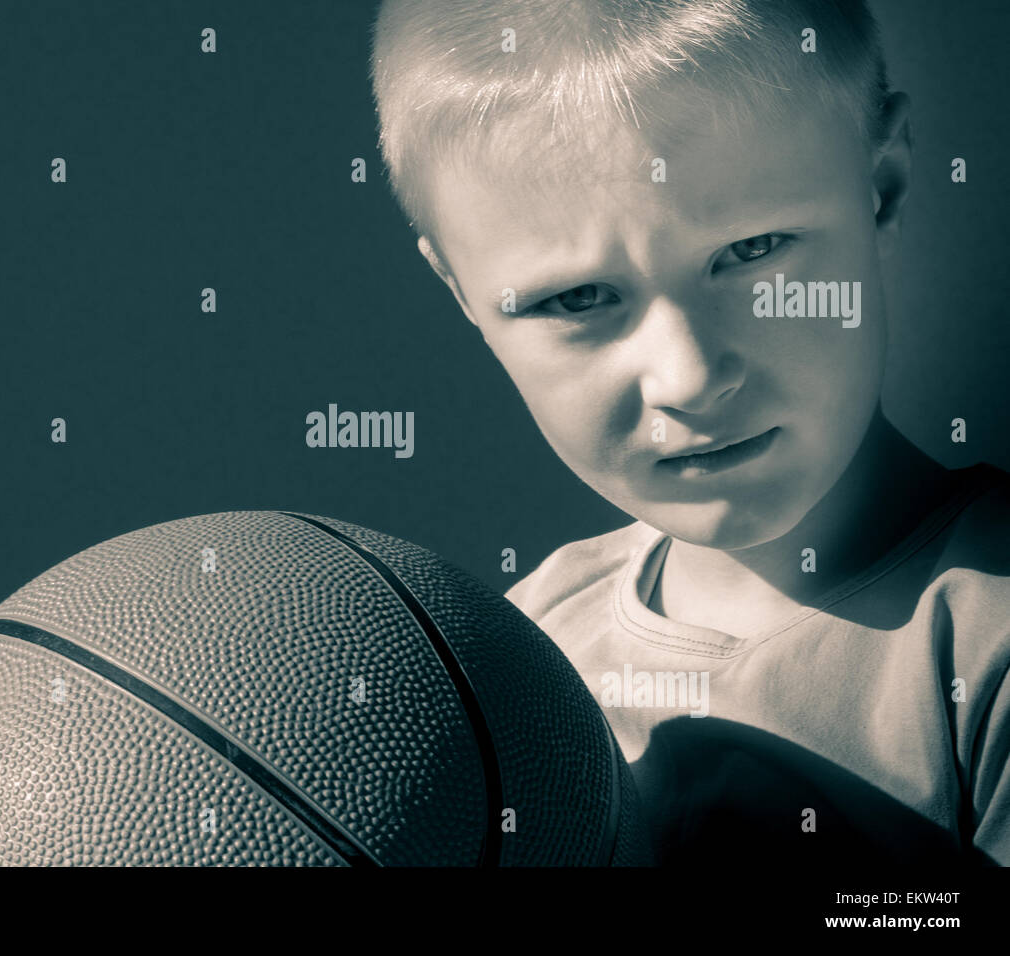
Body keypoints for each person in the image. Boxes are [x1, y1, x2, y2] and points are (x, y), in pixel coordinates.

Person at [370, 0, 1010, 864]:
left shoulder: (986, 644)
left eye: (753, 252)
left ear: (882, 186)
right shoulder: (520, 657)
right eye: (579, 299)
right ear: (462, 296)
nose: (692, 377)